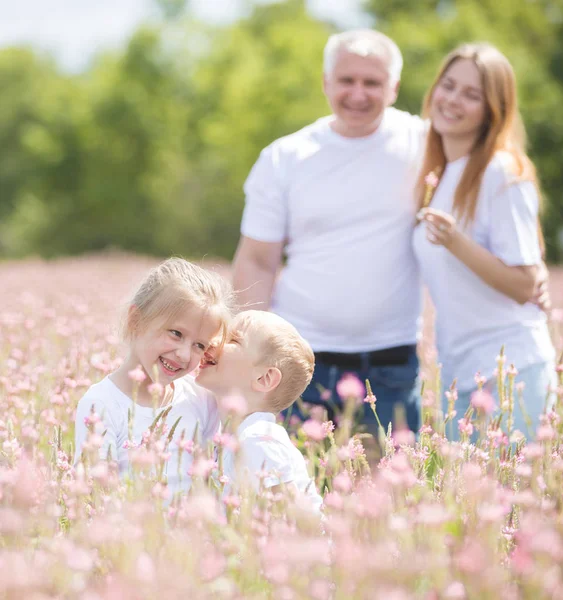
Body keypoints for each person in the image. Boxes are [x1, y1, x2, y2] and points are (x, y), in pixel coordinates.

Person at [231, 29, 427, 435]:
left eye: (372, 82)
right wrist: (251, 352)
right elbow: (257, 260)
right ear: (326, 82)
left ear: (393, 88)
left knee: (388, 493)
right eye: (346, 80)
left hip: (390, 363)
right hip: (301, 359)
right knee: (293, 489)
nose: (358, 93)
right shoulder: (285, 157)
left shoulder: (423, 143)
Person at [412, 43, 556, 440]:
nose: (453, 100)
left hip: (510, 372)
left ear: (493, 109)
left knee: (516, 500)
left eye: (471, 94)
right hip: (459, 372)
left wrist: (457, 243)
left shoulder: (501, 170)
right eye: (449, 85)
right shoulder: (437, 174)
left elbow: (526, 284)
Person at [75, 257, 236, 496]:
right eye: (176, 333)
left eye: (199, 345)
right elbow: (96, 496)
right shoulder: (101, 403)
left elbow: (217, 475)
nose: (183, 355)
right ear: (136, 321)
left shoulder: (200, 398)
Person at [195, 310, 322, 513]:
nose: (214, 341)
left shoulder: (258, 439)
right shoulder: (229, 433)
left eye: (233, 339)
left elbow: (291, 518)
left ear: (264, 378)